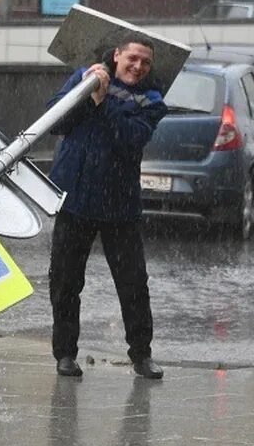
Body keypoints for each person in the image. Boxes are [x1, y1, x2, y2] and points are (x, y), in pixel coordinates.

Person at [47, 32, 168, 380]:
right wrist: (87, 94)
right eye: (132, 58)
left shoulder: (152, 101)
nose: (138, 66)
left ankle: (141, 356)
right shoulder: (86, 77)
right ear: (117, 55)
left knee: (133, 285)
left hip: (120, 205)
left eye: (145, 62)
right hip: (76, 197)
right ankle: (65, 355)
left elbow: (130, 140)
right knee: (66, 282)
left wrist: (102, 104)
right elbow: (58, 120)